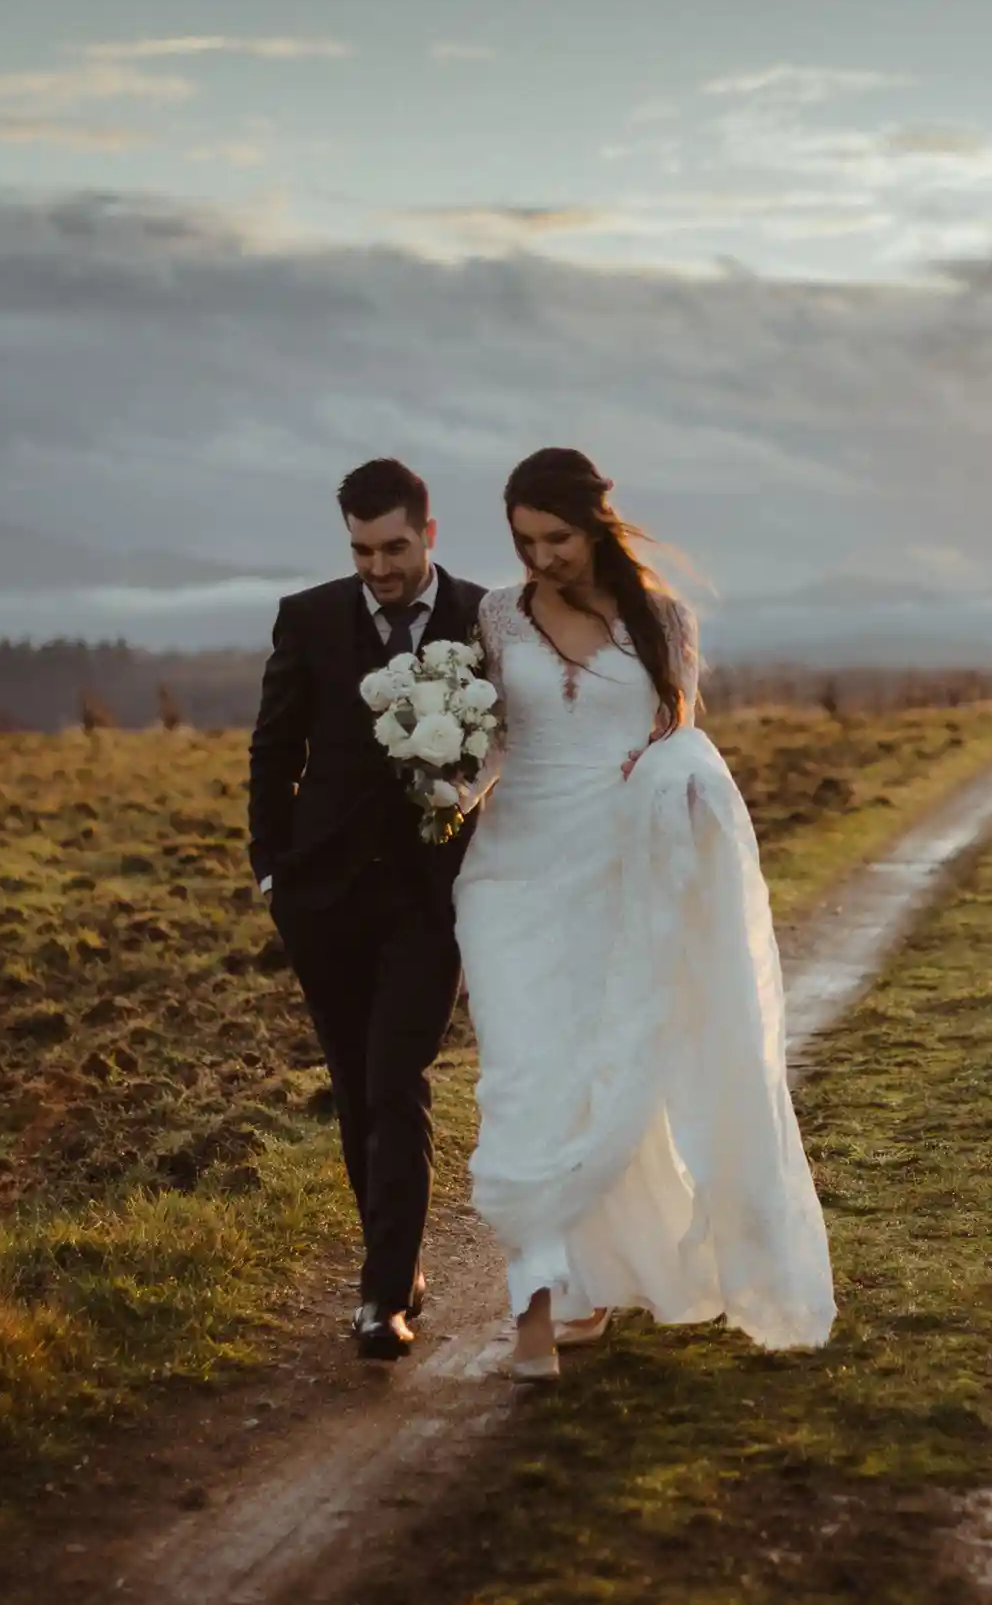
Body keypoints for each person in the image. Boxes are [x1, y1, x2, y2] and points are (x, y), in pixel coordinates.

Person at [457, 446, 835, 1379]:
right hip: (510, 875)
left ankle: (581, 1286)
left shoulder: (661, 620)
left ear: (596, 525)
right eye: (523, 539)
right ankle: (533, 1313)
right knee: (523, 1076)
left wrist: (679, 795)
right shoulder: (497, 617)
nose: (538, 557)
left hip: (620, 877)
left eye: (555, 537)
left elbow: (682, 744)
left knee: (604, 1075)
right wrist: (443, 790)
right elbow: (494, 740)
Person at [248, 458, 483, 1359]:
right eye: (360, 549)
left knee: (395, 1077)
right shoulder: (307, 618)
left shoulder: (481, 618)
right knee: (355, 1089)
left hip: (434, 898)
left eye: (392, 547)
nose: (377, 567)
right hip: (324, 901)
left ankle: (382, 1293)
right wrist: (274, 873)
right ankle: (396, 1261)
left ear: (429, 533)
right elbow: (274, 751)